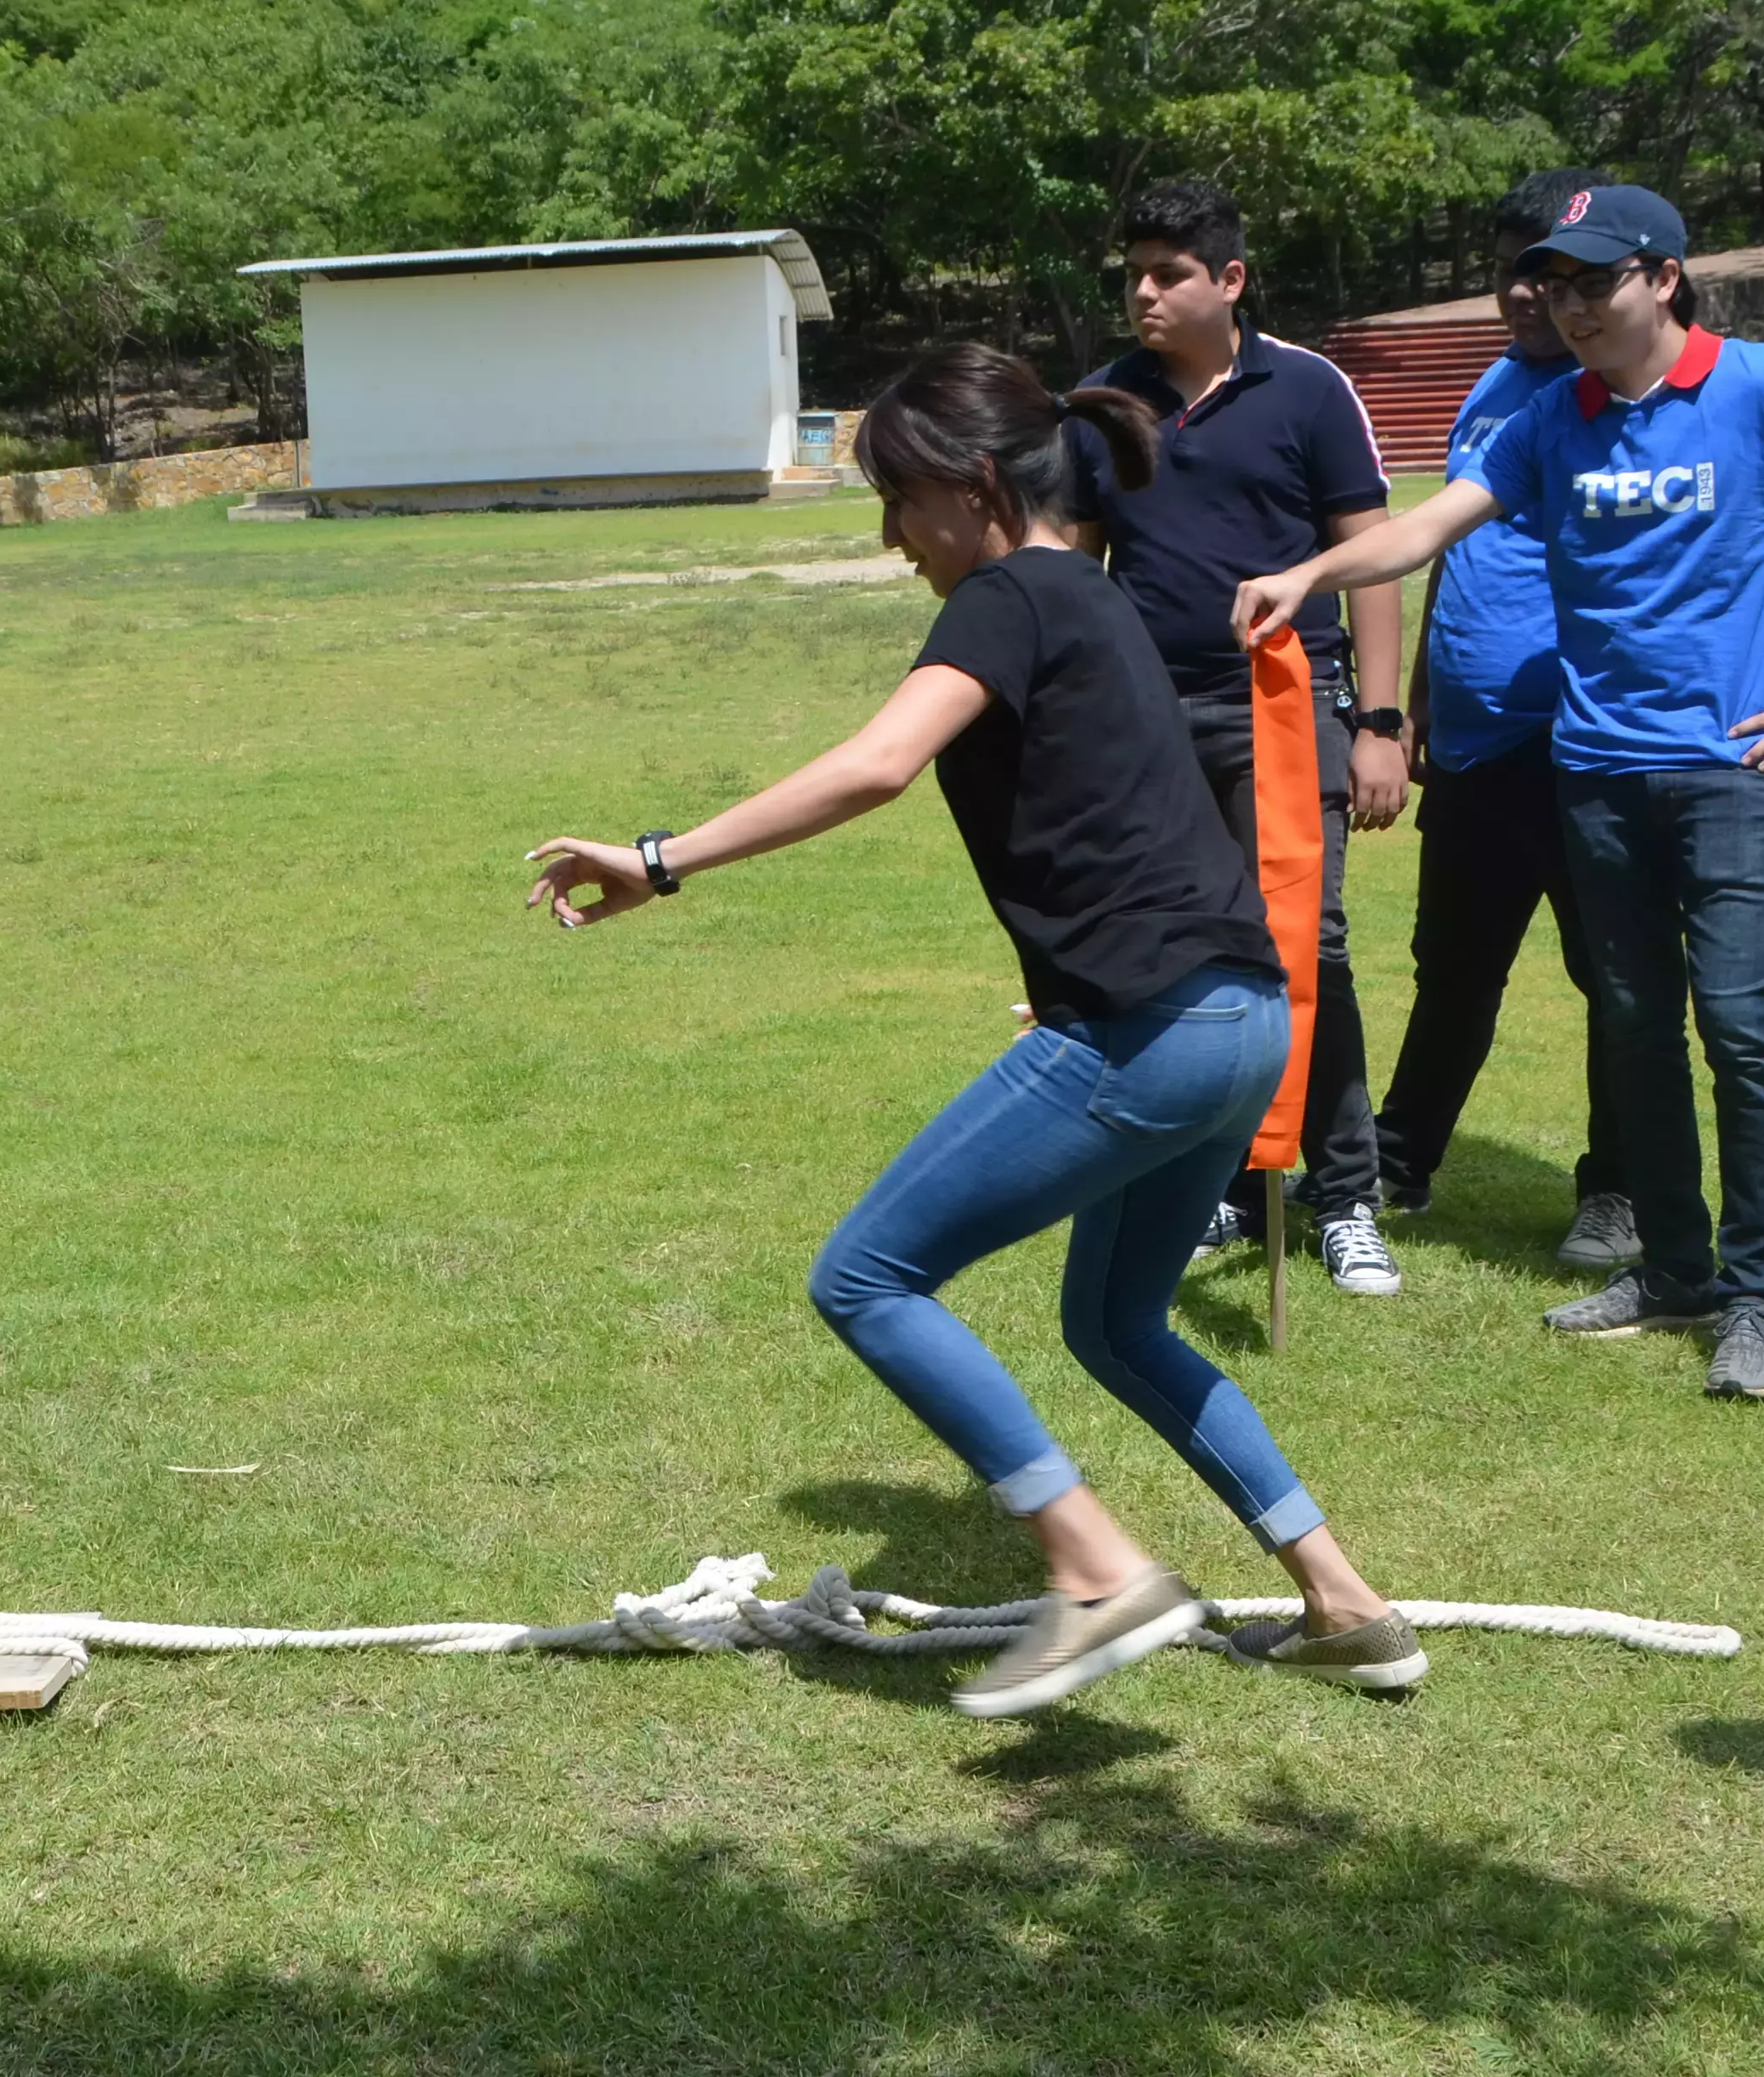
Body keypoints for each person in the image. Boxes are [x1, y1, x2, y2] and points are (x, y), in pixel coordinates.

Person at [523, 344, 1424, 1712]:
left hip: (1157, 1026)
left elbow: (880, 762)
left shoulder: (1009, 595)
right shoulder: (1107, 604)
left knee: (867, 1279)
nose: (893, 540)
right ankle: (1348, 1605)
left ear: (981, 486)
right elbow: (1134, 812)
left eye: (900, 501)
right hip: (1243, 1018)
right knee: (1119, 1325)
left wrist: (664, 855)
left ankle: (1095, 1569)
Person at [1235, 184, 1764, 1401]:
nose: (1570, 306)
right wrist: (1308, 570)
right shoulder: (1546, 420)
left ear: (1662, 279)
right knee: (1634, 1024)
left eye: (1595, 282)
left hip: (1732, 772)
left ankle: (1753, 1297)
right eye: (1555, 285)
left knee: (1741, 1028)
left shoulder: (1762, 388)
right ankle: (1672, 1268)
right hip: (1595, 768)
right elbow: (1424, 534)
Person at [1060, 179, 1410, 1299]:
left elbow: (1376, 561)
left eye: (1169, 274)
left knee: (1313, 944)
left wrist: (1382, 724)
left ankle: (1344, 1193)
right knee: (1192, 957)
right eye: (1135, 275)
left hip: (1290, 708)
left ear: (1232, 281)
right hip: (1154, 724)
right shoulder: (1103, 402)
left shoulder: (1307, 391)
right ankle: (1220, 1183)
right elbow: (1074, 574)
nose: (1145, 294)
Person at [1371, 171, 1638, 1273]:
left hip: (1582, 744)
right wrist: (1425, 693)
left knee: (1616, 979)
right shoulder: (1494, 387)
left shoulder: (1618, 398)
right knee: (1455, 967)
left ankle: (1618, 1192)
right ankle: (1400, 1156)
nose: (1527, 293)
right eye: (1512, 271)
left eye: (1552, 271)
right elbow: (1450, 548)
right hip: (1475, 746)